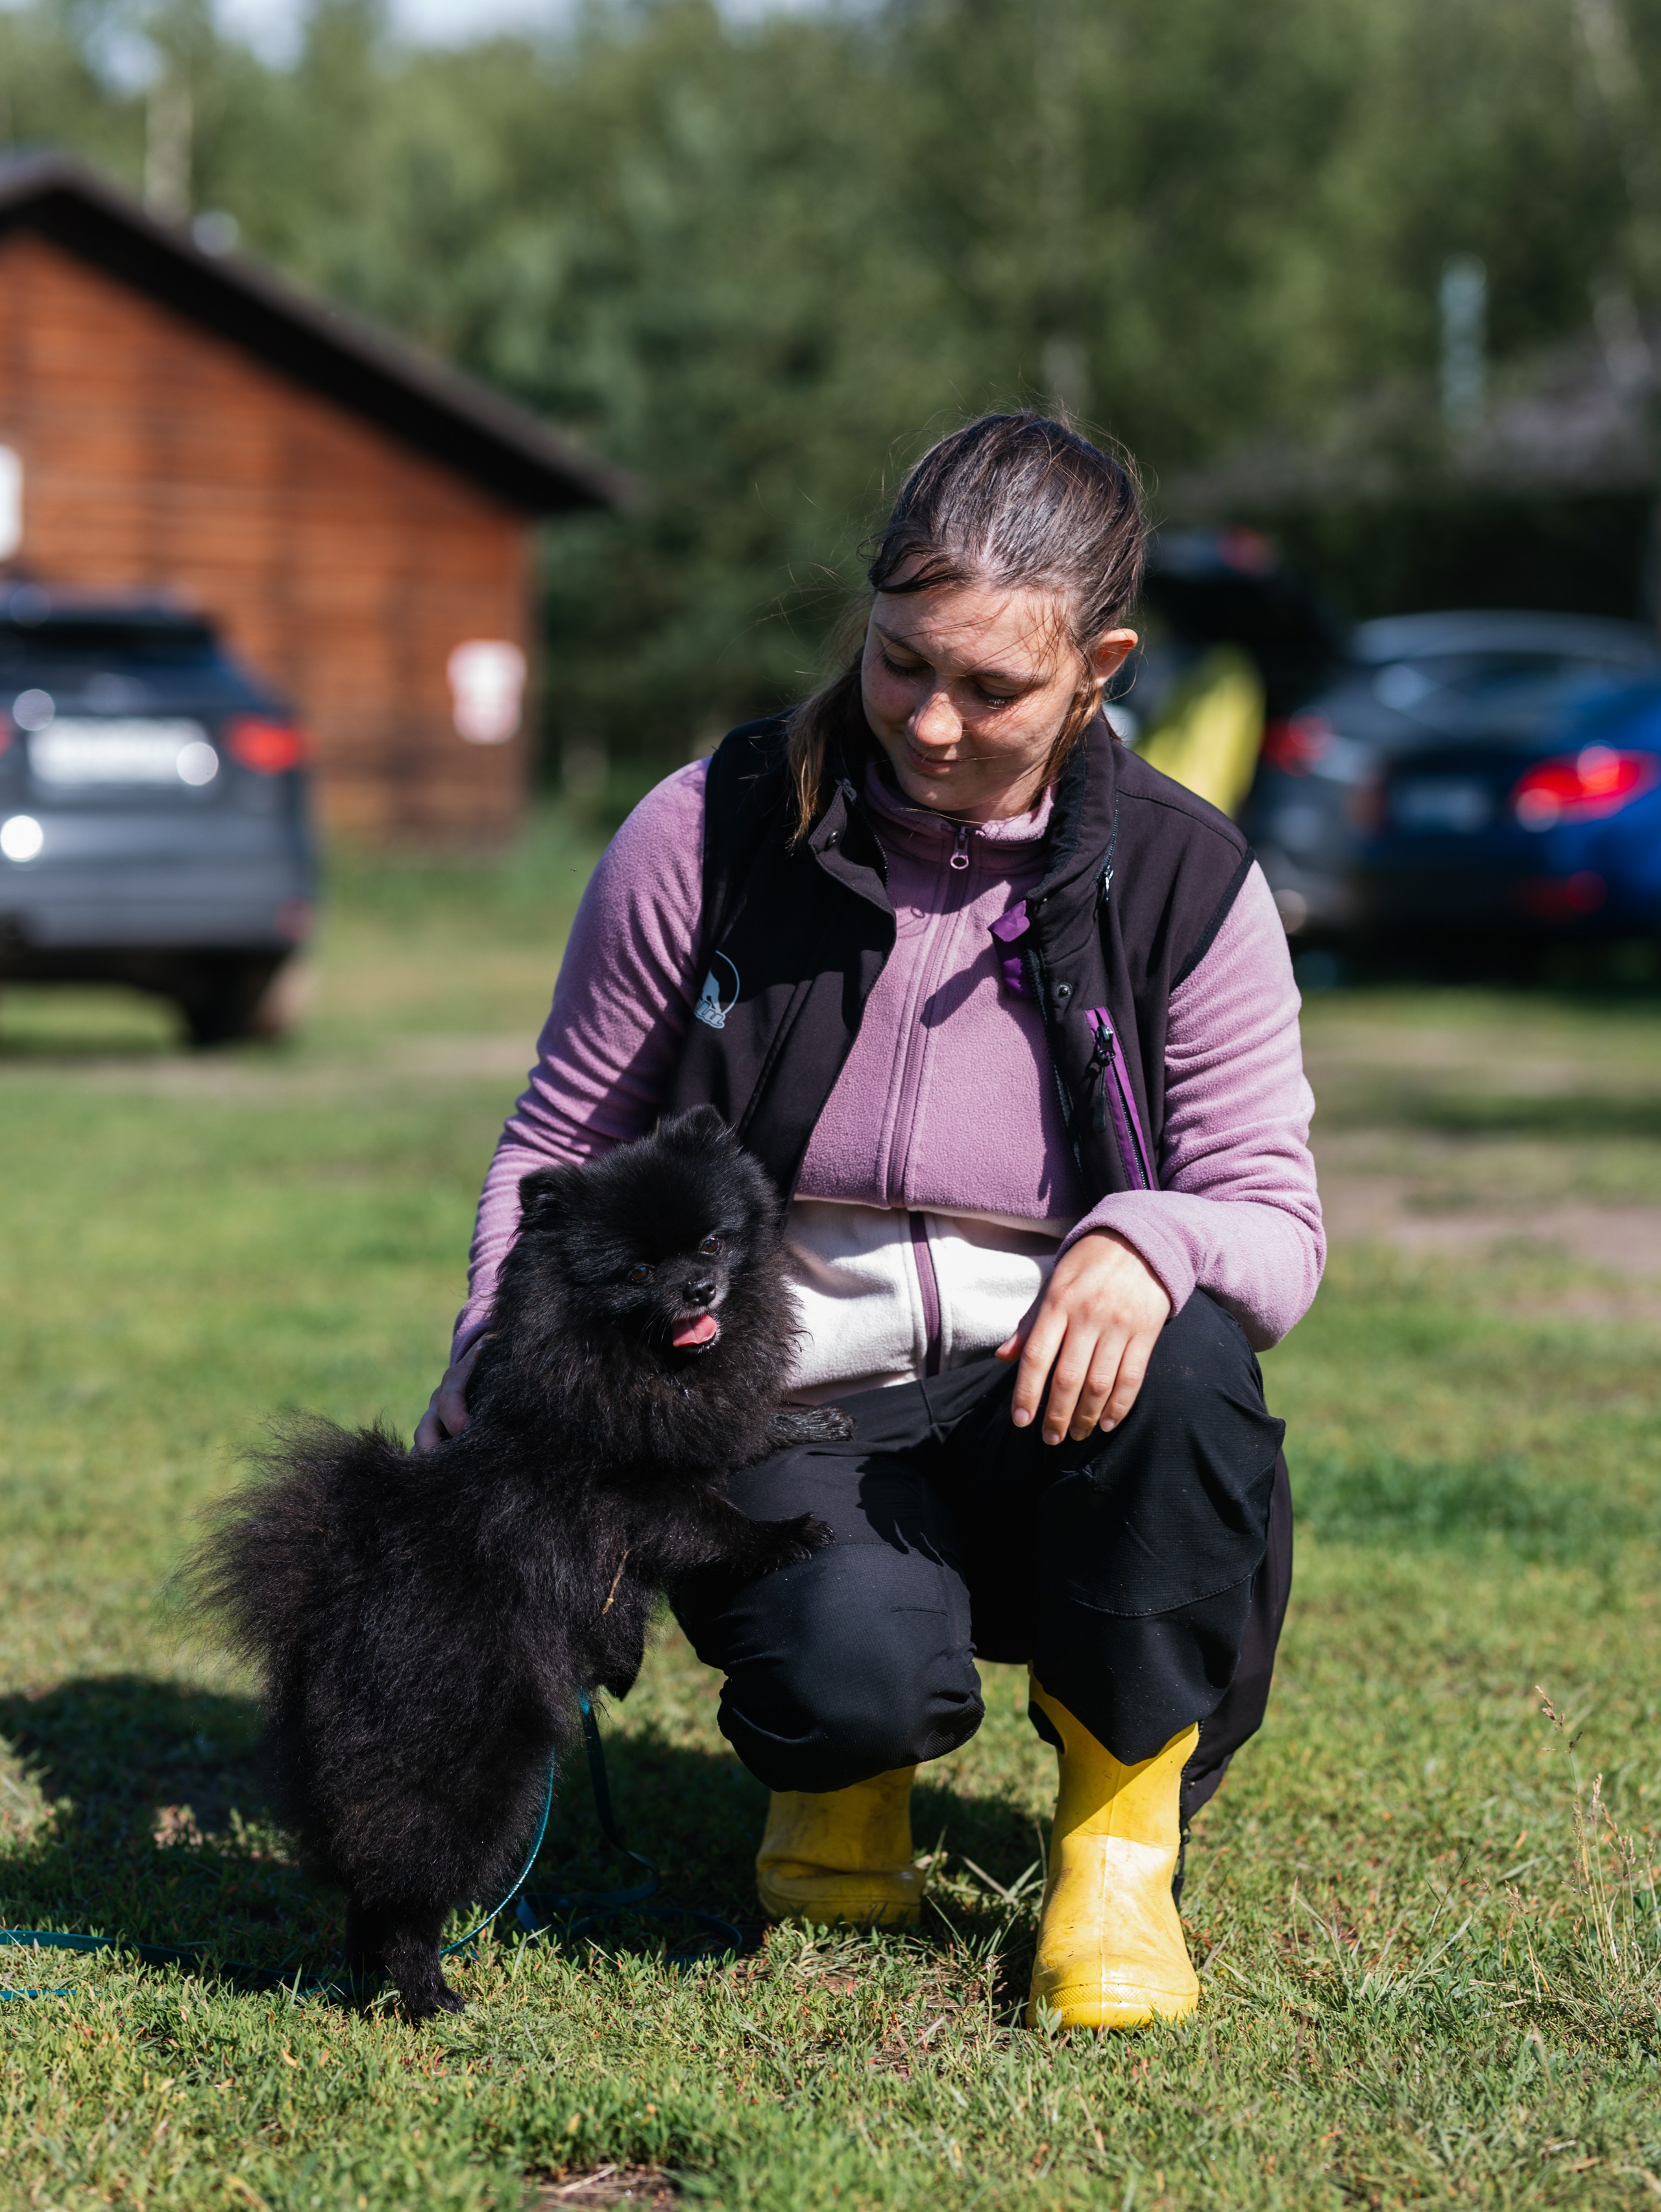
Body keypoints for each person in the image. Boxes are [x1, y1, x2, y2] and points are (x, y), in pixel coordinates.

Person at [416, 413, 1323, 2032]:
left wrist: (1146, 1237)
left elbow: (1272, 1220)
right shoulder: (702, 832)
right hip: (782, 1397)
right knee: (849, 1669)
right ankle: (845, 1779)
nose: (928, 719)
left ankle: (1117, 1844)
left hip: (1061, 1401)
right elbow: (562, 1138)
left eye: (994, 688)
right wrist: (498, 1353)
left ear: (1100, 666)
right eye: (904, 661)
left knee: (1186, 1357)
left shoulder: (1192, 883)